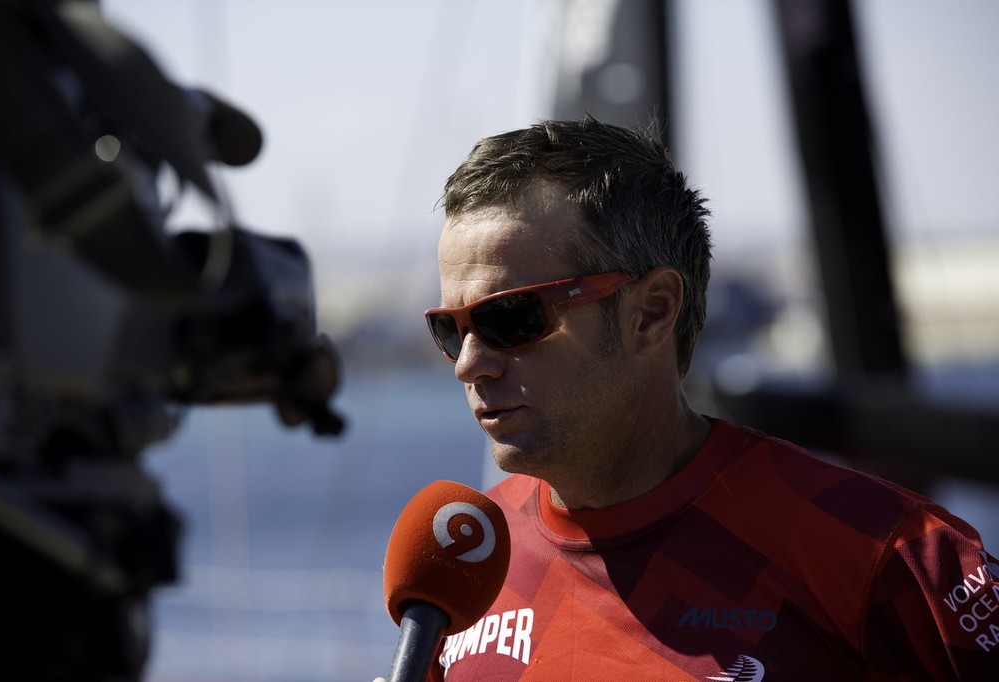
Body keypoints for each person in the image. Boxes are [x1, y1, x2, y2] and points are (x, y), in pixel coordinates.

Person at [415, 117, 998, 680]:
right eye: (451, 329)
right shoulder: (463, 566)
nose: (469, 363)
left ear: (652, 311)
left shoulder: (882, 553)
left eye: (512, 318)